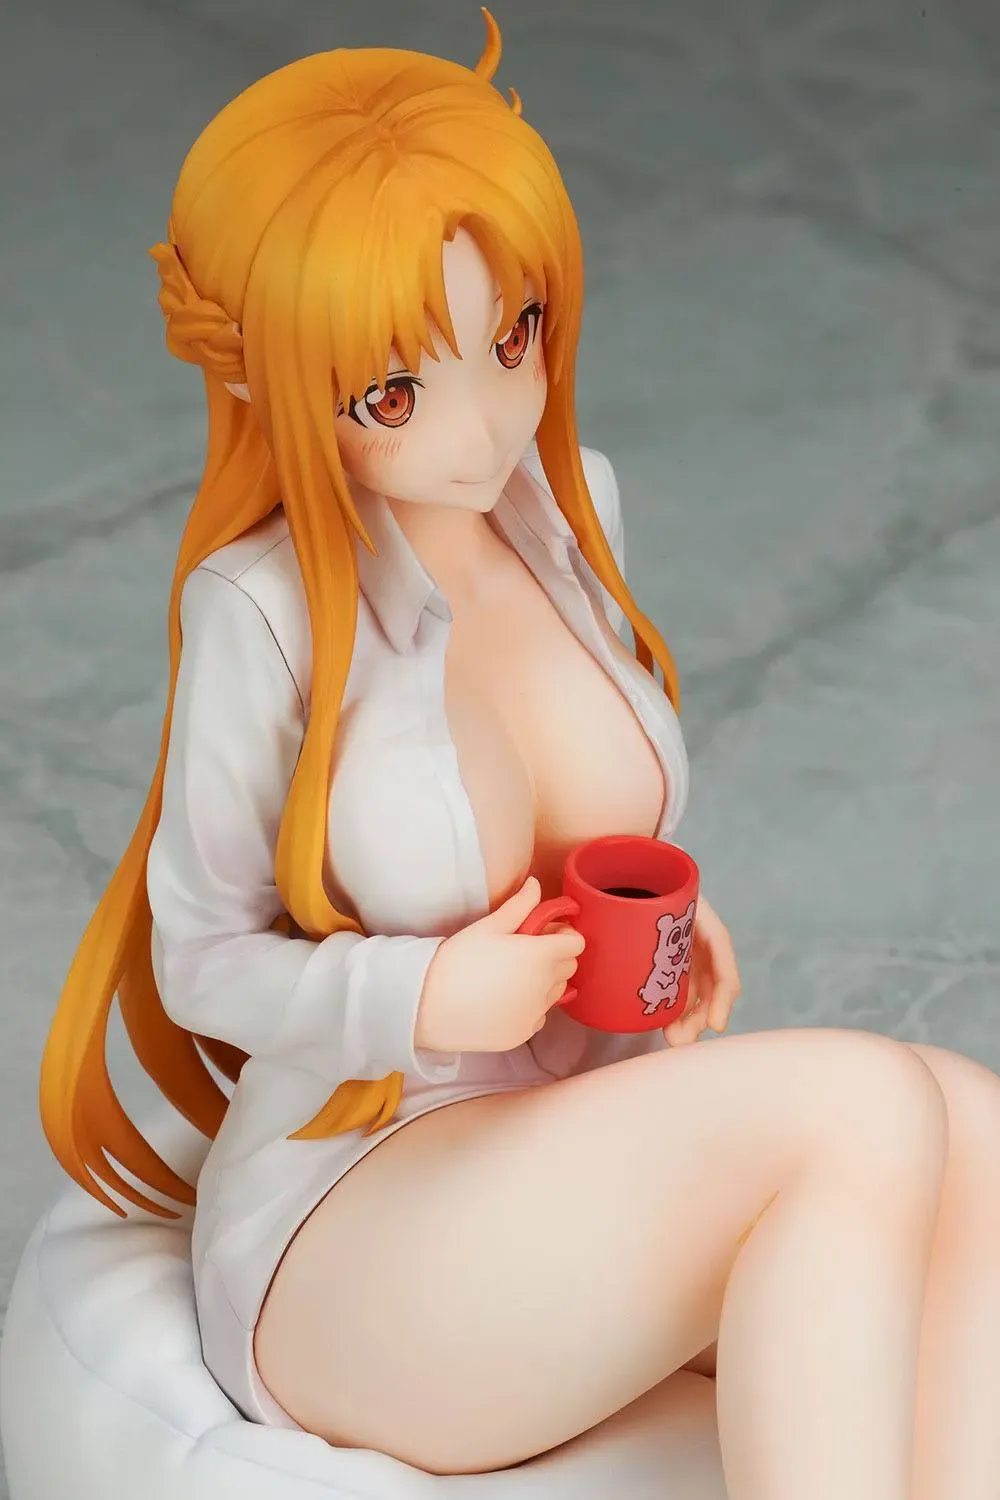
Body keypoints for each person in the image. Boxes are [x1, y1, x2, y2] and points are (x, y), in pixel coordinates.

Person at [38, 14, 1000, 1497]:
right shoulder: (263, 611)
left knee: (968, 1122)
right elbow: (199, 960)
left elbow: (572, 816)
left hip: (567, 1136)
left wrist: (665, 923)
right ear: (270, 384)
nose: (484, 429)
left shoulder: (576, 514)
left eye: (513, 339)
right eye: (393, 394)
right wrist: (424, 991)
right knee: (861, 1105)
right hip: (360, 1207)